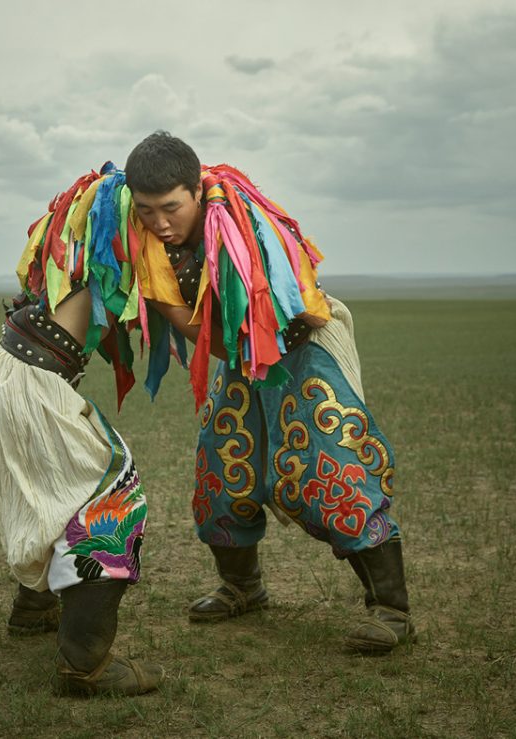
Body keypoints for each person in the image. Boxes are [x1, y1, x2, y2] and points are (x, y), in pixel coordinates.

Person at [125, 131, 415, 654]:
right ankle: (243, 588)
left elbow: (286, 315)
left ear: (196, 191)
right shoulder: (146, 241)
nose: (159, 223)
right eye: (146, 210)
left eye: (170, 208)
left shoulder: (243, 226)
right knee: (220, 471)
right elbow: (214, 336)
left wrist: (175, 309)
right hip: (241, 359)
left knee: (330, 473)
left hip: (300, 352)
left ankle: (392, 611)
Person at [0, 164, 164, 695]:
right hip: (30, 383)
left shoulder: (77, 258)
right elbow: (184, 314)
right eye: (148, 211)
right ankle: (86, 667)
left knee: (54, 491)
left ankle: (34, 610)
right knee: (112, 498)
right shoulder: (112, 254)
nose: (160, 223)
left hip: (6, 375)